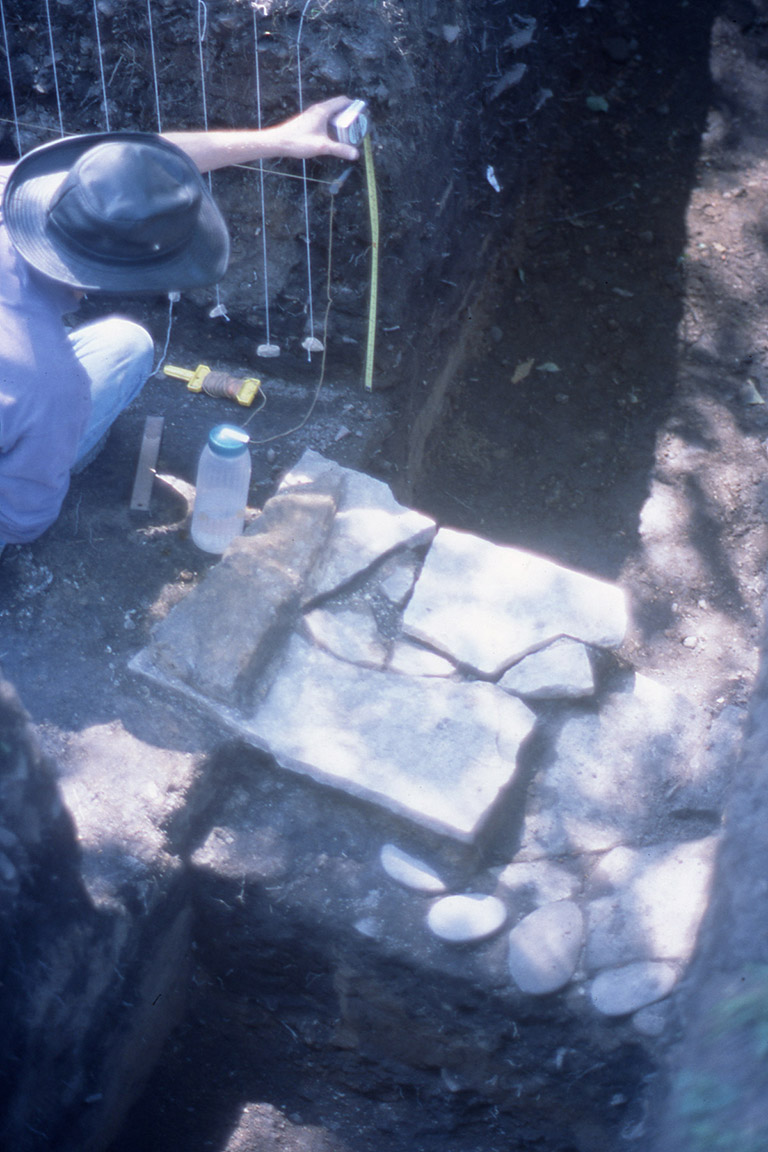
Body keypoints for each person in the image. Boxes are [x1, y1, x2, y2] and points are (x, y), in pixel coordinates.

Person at [0, 97, 359, 555]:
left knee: (112, 351)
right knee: (119, 356)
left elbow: (137, 170)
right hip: (30, 413)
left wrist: (281, 140)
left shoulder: (9, 190)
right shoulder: (50, 385)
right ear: (125, 278)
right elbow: (22, 519)